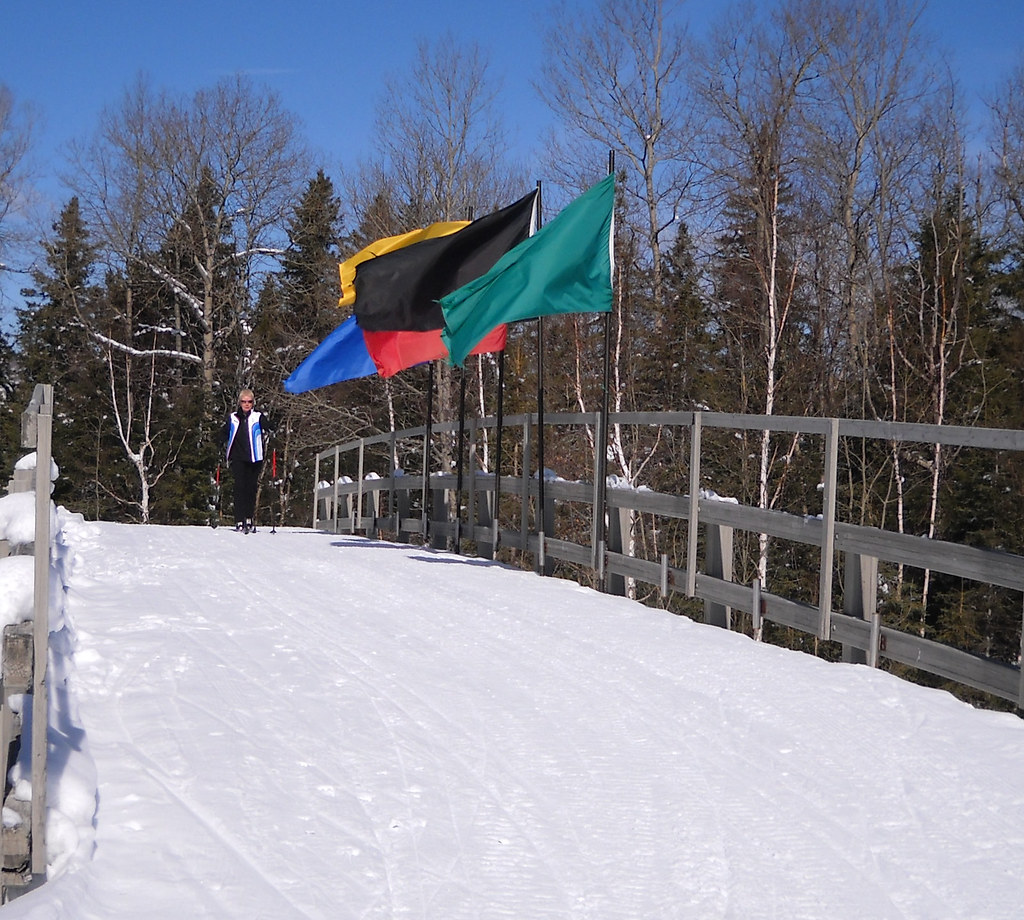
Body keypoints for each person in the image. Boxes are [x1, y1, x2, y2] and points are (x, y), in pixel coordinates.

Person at [224, 388, 266, 533]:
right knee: (239, 487)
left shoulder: (257, 416)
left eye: (249, 402)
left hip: (254, 458)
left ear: (253, 403)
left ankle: (249, 517)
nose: (247, 404)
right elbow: (224, 432)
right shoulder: (233, 418)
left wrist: (272, 428)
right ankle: (239, 519)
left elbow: (268, 426)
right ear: (240, 403)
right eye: (244, 402)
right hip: (238, 457)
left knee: (251, 488)